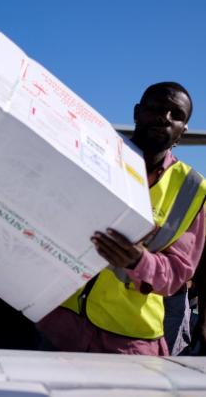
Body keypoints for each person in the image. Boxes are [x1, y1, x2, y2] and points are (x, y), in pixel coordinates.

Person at [38, 82, 206, 355]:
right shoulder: (93, 153)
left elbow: (179, 273)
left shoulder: (192, 189)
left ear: (183, 129)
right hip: (61, 325)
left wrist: (138, 262)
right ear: (137, 112)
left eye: (176, 115)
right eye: (156, 108)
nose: (165, 117)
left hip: (129, 339)